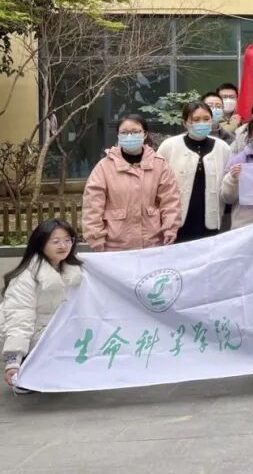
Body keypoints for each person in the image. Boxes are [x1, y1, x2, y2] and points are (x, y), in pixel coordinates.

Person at [2, 219, 83, 393]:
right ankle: (27, 365)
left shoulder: (73, 271)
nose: (63, 246)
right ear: (40, 243)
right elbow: (19, 320)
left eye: (68, 240)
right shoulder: (25, 278)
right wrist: (13, 361)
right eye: (55, 241)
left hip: (57, 331)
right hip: (33, 335)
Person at [82, 114, 181, 251]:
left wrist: (170, 229)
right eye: (124, 132)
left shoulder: (159, 164)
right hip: (115, 245)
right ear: (118, 135)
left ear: (144, 134)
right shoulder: (104, 167)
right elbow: (92, 206)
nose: (130, 136)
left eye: (135, 132)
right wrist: (96, 238)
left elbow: (170, 201)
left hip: (153, 243)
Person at [157, 102, 232, 243]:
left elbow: (228, 184)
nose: (202, 123)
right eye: (196, 120)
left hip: (211, 221)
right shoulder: (169, 146)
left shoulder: (223, 148)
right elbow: (157, 183)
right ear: (185, 123)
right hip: (176, 222)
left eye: (206, 119)